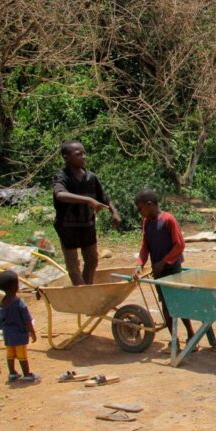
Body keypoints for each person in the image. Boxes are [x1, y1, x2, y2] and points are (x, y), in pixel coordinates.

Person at [52, 140, 120, 285]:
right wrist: (88, 200)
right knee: (73, 264)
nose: (83, 156)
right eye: (78, 154)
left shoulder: (91, 178)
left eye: (84, 153)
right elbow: (60, 195)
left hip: (87, 225)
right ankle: (81, 290)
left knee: (92, 259)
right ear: (66, 157)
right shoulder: (62, 177)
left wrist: (114, 212)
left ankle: (88, 287)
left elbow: (104, 197)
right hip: (67, 227)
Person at [134, 189, 195, 346]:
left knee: (178, 302)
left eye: (140, 208)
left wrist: (163, 262)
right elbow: (145, 246)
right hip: (158, 270)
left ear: (149, 204)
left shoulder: (168, 220)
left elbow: (179, 245)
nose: (139, 211)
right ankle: (174, 339)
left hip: (172, 268)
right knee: (166, 305)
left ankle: (191, 334)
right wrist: (140, 263)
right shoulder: (147, 222)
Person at [0, 270, 39, 383]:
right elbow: (27, 321)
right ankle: (27, 374)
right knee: (22, 354)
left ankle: (12, 373)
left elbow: (0, 318)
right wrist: (32, 333)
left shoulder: (1, 302)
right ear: (16, 286)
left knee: (10, 354)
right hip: (19, 333)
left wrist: (3, 329)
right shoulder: (19, 303)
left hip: (7, 333)